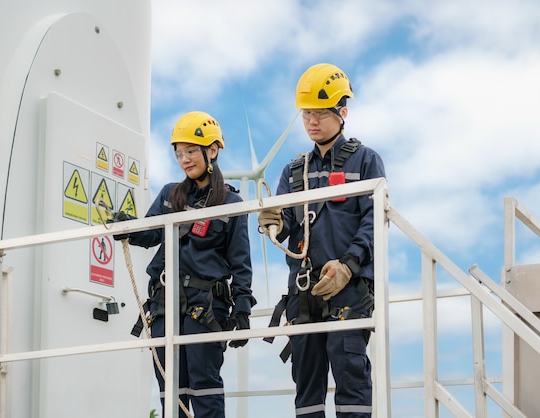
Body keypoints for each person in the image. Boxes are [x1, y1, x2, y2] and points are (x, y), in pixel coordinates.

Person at [258, 63, 386, 417]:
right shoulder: (293, 171)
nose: (311, 122)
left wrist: (348, 265)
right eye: (306, 114)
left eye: (319, 113)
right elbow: (285, 225)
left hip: (349, 288)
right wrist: (273, 221)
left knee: (351, 378)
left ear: (342, 112)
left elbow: (374, 221)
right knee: (307, 386)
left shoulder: (366, 161)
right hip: (304, 293)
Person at [111, 111, 256, 418]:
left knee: (205, 387)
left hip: (205, 307)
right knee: (170, 394)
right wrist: (126, 227)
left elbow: (240, 261)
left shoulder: (231, 204)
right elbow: (150, 233)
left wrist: (242, 309)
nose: (185, 159)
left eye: (191, 151)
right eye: (179, 153)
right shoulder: (169, 195)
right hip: (165, 306)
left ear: (212, 150)